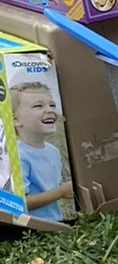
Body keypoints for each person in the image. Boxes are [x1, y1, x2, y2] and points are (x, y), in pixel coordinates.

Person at [12, 80, 72, 223]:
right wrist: (61, 192)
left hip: (55, 222)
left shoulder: (53, 151)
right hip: (29, 228)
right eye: (38, 106)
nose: (50, 110)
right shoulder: (18, 156)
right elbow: (19, 204)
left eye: (52, 105)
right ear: (16, 120)